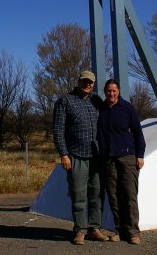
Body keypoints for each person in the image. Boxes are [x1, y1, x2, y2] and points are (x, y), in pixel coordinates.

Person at [53, 70, 107, 245]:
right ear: (78, 81)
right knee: (78, 194)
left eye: (90, 82)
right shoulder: (65, 101)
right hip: (76, 155)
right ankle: (80, 230)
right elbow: (58, 130)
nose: (87, 84)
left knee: (97, 194)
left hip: (96, 156)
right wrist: (64, 154)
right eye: (84, 81)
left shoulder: (96, 101)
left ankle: (95, 228)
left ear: (93, 84)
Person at [97, 78, 146, 245]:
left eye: (114, 90)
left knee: (129, 194)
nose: (111, 93)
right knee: (113, 195)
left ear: (118, 91)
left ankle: (132, 232)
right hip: (108, 158)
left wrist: (140, 155)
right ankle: (119, 230)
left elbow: (138, 133)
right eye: (108, 91)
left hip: (127, 157)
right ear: (105, 92)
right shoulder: (101, 109)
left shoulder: (127, 108)